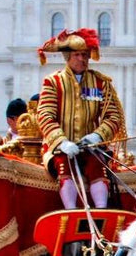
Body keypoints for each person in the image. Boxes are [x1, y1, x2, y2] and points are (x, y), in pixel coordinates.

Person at [36, 28, 123, 209]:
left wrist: (97, 136)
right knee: (64, 166)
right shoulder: (53, 82)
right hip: (60, 150)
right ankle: (71, 210)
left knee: (97, 165)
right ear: (68, 57)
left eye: (85, 55)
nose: (83, 59)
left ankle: (101, 210)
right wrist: (62, 142)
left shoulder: (101, 83)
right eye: (77, 55)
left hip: (91, 148)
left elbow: (113, 115)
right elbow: (45, 115)